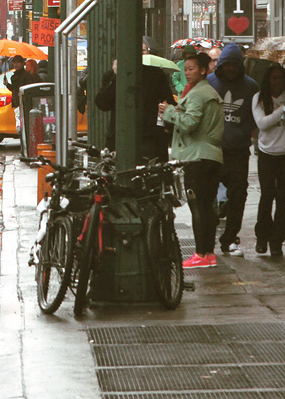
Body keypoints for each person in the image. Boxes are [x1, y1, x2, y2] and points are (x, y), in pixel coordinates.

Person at [160, 51, 224, 268]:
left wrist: (169, 111)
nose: (187, 73)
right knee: (207, 206)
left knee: (198, 207)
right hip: (210, 156)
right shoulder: (207, 92)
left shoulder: (198, 94)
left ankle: (201, 253)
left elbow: (189, 123)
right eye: (185, 69)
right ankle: (208, 253)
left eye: (192, 68)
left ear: (203, 70)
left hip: (196, 158)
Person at [209, 43, 259, 257]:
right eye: (226, 65)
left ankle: (230, 237)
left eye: (234, 65)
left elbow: (256, 114)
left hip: (238, 150)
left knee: (238, 195)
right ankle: (206, 238)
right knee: (208, 196)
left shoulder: (251, 87)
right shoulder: (209, 83)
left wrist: (250, 134)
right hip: (213, 149)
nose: (230, 69)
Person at [93, 59, 175, 164]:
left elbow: (168, 101)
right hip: (119, 137)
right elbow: (103, 104)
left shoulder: (155, 74)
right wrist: (117, 76)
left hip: (149, 138)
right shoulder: (111, 75)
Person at [252, 63, 285, 256]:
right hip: (267, 153)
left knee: (283, 197)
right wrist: (284, 109)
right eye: (274, 78)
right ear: (268, 80)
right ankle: (262, 237)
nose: (277, 82)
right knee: (267, 194)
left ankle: (277, 241)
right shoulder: (259, 99)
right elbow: (262, 123)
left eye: (280, 78)